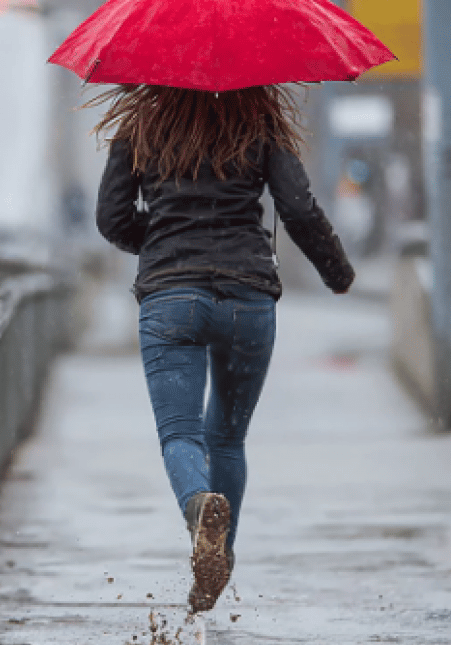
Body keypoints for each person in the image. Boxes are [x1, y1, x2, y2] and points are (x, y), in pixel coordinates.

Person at [92, 84, 354, 613]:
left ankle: (198, 507)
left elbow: (112, 219)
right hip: (248, 298)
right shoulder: (258, 122)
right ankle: (218, 557)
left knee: (180, 435)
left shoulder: (142, 125)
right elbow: (299, 210)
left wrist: (167, 236)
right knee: (228, 439)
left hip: (171, 298)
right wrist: (336, 271)